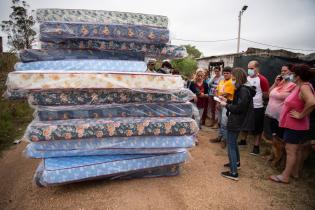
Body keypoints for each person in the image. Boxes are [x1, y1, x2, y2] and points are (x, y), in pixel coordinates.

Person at [269, 64, 315, 184]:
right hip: (294, 125)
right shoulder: (301, 86)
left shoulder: (304, 87)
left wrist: (301, 115)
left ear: (298, 76)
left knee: (291, 150)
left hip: (295, 125)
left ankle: (285, 176)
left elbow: (312, 102)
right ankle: (294, 172)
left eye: (293, 74)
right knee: (296, 149)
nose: (291, 75)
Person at [219, 67, 256, 180]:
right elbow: (238, 103)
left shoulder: (244, 90)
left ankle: (233, 172)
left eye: (233, 78)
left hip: (237, 120)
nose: (232, 80)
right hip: (238, 119)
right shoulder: (244, 89)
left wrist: (226, 105)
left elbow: (239, 108)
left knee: (231, 145)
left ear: (238, 78)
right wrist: (228, 101)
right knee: (233, 142)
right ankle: (237, 163)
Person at [264, 64, 296, 164]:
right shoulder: (280, 83)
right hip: (271, 115)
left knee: (279, 139)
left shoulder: (293, 86)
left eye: (285, 71)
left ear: (291, 73)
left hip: (281, 117)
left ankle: (280, 159)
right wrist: (275, 83)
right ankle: (273, 155)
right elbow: (269, 93)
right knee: (274, 137)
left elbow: (292, 101)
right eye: (282, 71)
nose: (282, 72)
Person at [239, 60, 270, 156]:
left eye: (251, 68)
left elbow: (266, 95)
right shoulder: (246, 78)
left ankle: (256, 147)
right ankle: (243, 140)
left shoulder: (262, 79)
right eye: (248, 68)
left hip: (257, 107)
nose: (249, 70)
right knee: (244, 124)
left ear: (257, 68)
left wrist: (257, 99)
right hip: (246, 106)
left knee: (257, 128)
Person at [210, 66, 235, 149]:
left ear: (231, 74)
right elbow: (217, 91)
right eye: (224, 73)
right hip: (220, 103)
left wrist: (218, 98)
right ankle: (219, 137)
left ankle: (224, 140)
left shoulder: (231, 82)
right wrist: (217, 102)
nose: (225, 74)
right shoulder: (222, 81)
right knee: (220, 122)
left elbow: (226, 94)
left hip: (227, 105)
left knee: (224, 122)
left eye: (227, 73)